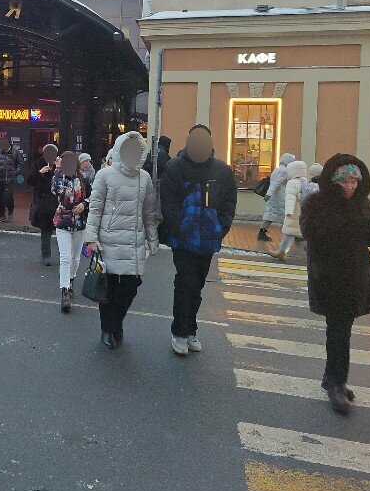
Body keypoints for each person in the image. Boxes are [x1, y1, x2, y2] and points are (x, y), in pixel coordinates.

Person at [300, 155, 370, 415]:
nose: (351, 186)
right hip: (330, 278)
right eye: (345, 181)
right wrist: (341, 214)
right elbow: (311, 234)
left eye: (355, 181)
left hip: (355, 277)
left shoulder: (362, 202)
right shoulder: (316, 202)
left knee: (341, 330)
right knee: (339, 331)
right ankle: (336, 383)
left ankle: (332, 378)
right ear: (334, 181)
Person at [160, 124, 237, 356]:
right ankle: (179, 332)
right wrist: (180, 228)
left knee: (198, 285)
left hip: (207, 239)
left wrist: (220, 228)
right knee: (186, 282)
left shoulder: (222, 171)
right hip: (183, 240)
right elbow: (169, 202)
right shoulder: (176, 167)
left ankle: (191, 329)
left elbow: (229, 203)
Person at [84, 132, 160, 347]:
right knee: (108, 289)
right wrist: (91, 237)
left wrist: (152, 239)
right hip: (107, 241)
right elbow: (95, 209)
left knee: (130, 287)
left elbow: (149, 213)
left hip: (134, 242)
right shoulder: (104, 175)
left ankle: (116, 322)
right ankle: (107, 329)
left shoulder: (144, 178)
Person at [52, 151, 90, 312]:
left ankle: (71, 279)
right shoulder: (59, 177)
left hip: (79, 223)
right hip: (63, 221)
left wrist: (84, 204)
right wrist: (58, 170)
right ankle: (65, 291)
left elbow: (92, 196)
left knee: (75, 257)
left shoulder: (83, 178)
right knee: (65, 257)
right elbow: (57, 191)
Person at [269, 160, 309, 261]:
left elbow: (290, 199)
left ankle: (282, 252)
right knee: (306, 233)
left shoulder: (292, 183)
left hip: (294, 213)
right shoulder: (306, 182)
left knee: (289, 233)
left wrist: (288, 212)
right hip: (305, 211)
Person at [27, 143, 59, 266]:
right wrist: (39, 172)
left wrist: (58, 169)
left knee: (61, 230)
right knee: (46, 229)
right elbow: (30, 181)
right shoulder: (37, 164)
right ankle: (46, 255)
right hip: (43, 201)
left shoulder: (60, 164)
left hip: (58, 202)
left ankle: (64, 255)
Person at [258, 152, 296, 241]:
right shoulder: (285, 171)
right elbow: (275, 183)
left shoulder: (277, 169)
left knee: (270, 214)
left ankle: (262, 232)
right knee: (289, 215)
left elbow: (273, 183)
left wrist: (269, 194)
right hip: (280, 196)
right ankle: (294, 235)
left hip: (274, 196)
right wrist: (269, 194)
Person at [0, 137, 22, 223]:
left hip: (10, 179)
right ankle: (1, 215)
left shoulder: (15, 152)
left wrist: (15, 172)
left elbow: (20, 164)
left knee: (8, 196)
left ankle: (10, 209)